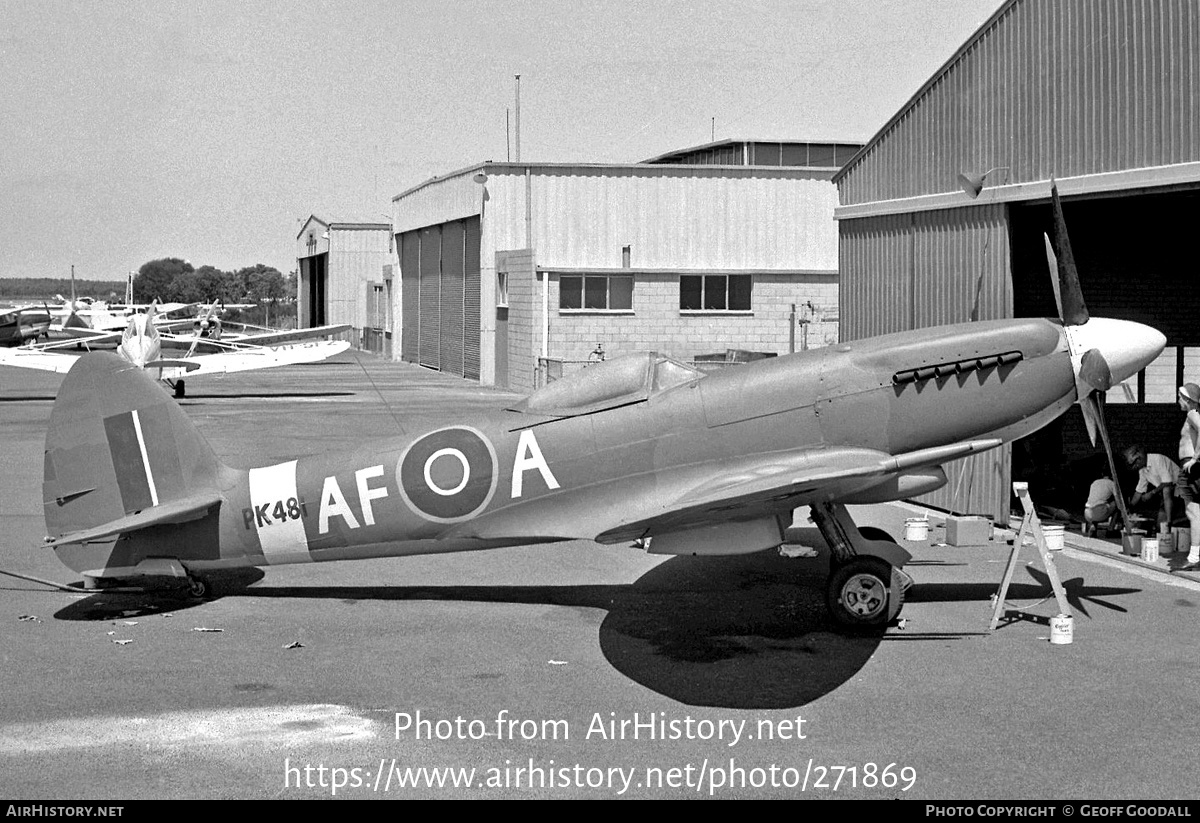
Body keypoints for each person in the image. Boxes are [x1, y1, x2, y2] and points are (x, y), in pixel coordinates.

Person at [1122, 444, 1178, 531]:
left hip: (1179, 487)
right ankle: (1165, 525)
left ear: (1139, 458)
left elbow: (1168, 481)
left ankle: (1169, 521)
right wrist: (1130, 507)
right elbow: (1138, 492)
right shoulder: (1142, 470)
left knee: (1166, 490)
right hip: (1166, 494)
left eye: (1134, 464)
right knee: (1160, 526)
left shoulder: (1157, 459)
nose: (1134, 467)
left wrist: (1151, 493)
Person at [1177, 383, 1200, 569]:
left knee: (1193, 512)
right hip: (1190, 468)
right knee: (1195, 512)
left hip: (1192, 468)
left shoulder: (1192, 414)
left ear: (1188, 400)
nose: (1178, 400)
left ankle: (1194, 557)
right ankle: (1194, 556)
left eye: (1180, 397)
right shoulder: (1191, 415)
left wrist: (1195, 457)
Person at [1082, 472, 1118, 536]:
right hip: (1098, 512)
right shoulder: (1112, 483)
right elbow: (1118, 500)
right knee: (1115, 505)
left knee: (1098, 503)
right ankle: (1111, 529)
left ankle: (1093, 526)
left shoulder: (1094, 482)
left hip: (1087, 513)